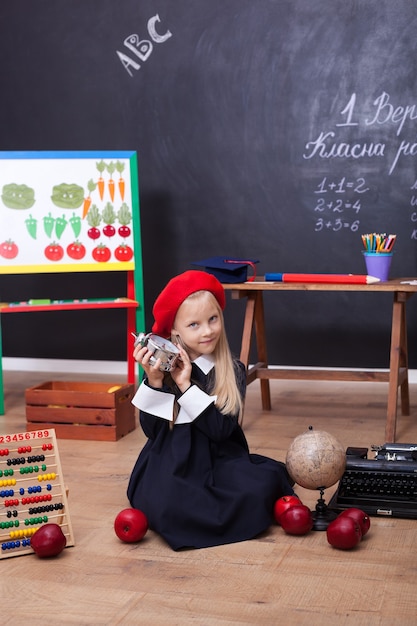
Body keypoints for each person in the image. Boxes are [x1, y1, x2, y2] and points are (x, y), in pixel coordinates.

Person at [127, 270, 294, 550]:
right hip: (172, 461)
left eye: (212, 319)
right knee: (167, 501)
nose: (207, 331)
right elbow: (153, 432)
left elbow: (221, 431)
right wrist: (154, 382)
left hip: (221, 459)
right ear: (174, 332)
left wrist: (186, 387)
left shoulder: (232, 370)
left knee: (260, 486)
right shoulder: (161, 371)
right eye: (194, 324)